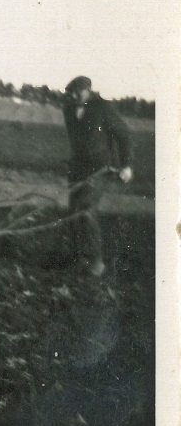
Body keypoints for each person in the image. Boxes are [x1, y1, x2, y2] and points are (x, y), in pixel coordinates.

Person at [63, 75, 133, 277]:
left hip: (100, 168)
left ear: (88, 90)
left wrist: (126, 165)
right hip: (77, 169)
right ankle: (78, 258)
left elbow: (123, 135)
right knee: (73, 212)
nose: (74, 96)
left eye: (78, 92)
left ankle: (96, 262)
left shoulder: (103, 108)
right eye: (71, 92)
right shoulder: (68, 110)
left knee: (86, 208)